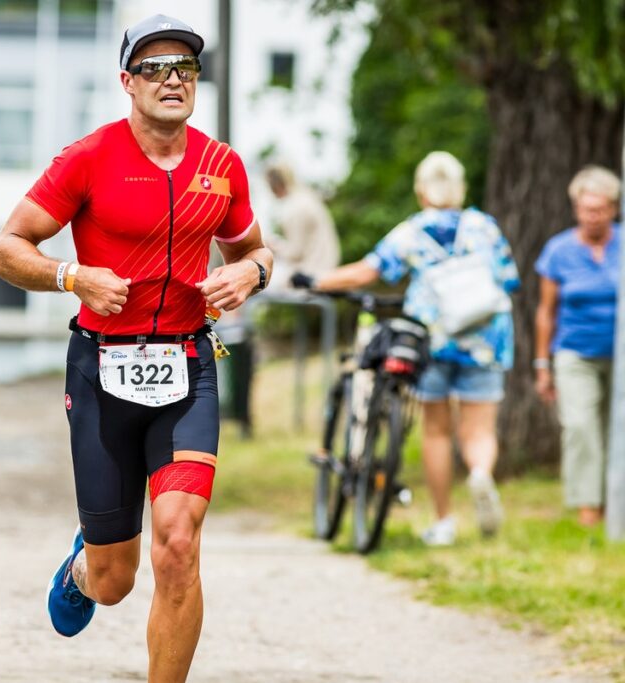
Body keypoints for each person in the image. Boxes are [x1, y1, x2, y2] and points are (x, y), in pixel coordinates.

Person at [0, 14, 272, 681]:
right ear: (127, 81)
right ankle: (84, 568)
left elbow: (257, 249)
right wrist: (72, 276)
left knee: (179, 540)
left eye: (185, 68)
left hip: (189, 366)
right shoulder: (88, 157)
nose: (173, 80)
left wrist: (249, 273)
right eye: (154, 68)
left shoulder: (220, 165)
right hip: (101, 370)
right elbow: (5, 249)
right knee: (116, 578)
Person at [293, 151, 520, 546]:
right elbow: (507, 280)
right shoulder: (484, 227)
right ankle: (481, 473)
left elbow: (367, 271)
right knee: (479, 428)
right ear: (460, 187)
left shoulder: (414, 231)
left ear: (420, 191)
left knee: (436, 430)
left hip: (432, 338)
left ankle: (444, 521)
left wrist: (316, 280)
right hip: (486, 339)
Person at [534, 165, 621, 527]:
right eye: (586, 209)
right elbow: (546, 311)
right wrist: (542, 364)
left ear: (614, 209)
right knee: (582, 427)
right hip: (575, 352)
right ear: (576, 209)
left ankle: (617, 502)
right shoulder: (558, 251)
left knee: (616, 429)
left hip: (620, 353)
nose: (593, 216)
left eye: (600, 209)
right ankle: (589, 507)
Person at [262, 160, 340, 290]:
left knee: (252, 278)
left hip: (311, 271)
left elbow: (295, 253)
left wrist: (273, 246)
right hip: (324, 266)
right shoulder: (306, 198)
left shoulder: (296, 207)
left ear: (276, 184)